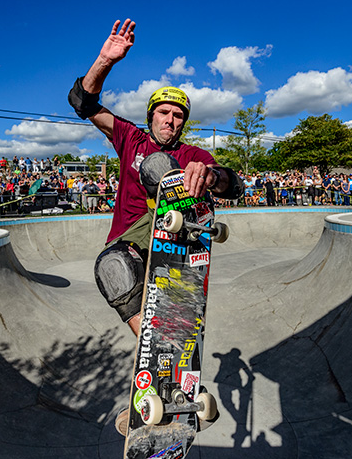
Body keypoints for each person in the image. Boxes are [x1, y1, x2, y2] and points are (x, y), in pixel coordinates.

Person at [68, 18, 242, 336]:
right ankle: (153, 342)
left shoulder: (195, 156)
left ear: (183, 123)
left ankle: (182, 246)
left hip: (178, 232)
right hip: (133, 234)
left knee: (160, 165)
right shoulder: (130, 137)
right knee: (112, 268)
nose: (170, 120)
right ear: (151, 118)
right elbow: (83, 102)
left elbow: (235, 185)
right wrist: (105, 60)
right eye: (163, 113)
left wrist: (211, 176)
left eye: (177, 116)